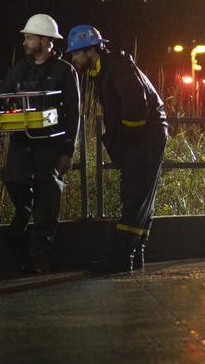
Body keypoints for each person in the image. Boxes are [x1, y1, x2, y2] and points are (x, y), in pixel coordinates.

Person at [0, 13, 80, 274]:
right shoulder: (21, 68)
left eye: (29, 38)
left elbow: (75, 112)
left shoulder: (65, 71)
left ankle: (39, 259)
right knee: (13, 179)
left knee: (48, 200)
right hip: (23, 140)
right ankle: (23, 212)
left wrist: (68, 150)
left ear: (44, 40)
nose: (25, 42)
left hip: (50, 144)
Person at [65, 24, 168, 273]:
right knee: (139, 195)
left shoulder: (117, 67)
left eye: (76, 53)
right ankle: (135, 252)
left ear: (90, 50)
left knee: (134, 194)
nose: (73, 59)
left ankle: (121, 257)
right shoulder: (106, 70)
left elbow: (135, 106)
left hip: (145, 136)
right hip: (145, 136)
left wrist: (125, 142)